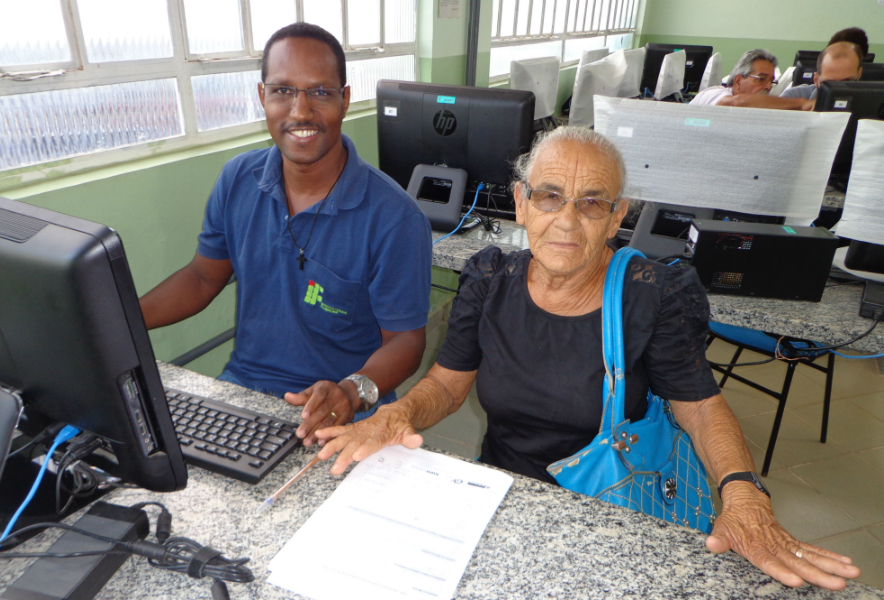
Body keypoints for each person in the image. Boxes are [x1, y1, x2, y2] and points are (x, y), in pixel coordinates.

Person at [315, 126, 862, 591]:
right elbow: (448, 383)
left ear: (617, 214)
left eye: (592, 202)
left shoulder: (650, 294)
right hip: (506, 492)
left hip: (613, 507)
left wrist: (744, 494)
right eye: (549, 196)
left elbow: (699, 406)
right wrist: (400, 413)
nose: (569, 221)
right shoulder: (489, 279)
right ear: (521, 202)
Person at [139, 23, 432, 446]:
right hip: (242, 392)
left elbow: (406, 341)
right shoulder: (238, 178)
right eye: (282, 91)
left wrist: (352, 391)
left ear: (345, 100)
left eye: (320, 92)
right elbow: (203, 278)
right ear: (263, 97)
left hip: (338, 412)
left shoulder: (395, 218)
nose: (300, 112)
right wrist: (117, 321)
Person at [690, 49, 814, 110]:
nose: (768, 86)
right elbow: (733, 103)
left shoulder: (754, 110)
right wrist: (803, 104)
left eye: (772, 81)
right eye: (761, 79)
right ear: (738, 81)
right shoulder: (714, 93)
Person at [781, 41, 863, 100]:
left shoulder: (873, 102)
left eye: (847, 81)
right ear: (816, 79)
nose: (839, 89)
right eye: (830, 83)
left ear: (859, 74)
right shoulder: (793, 97)